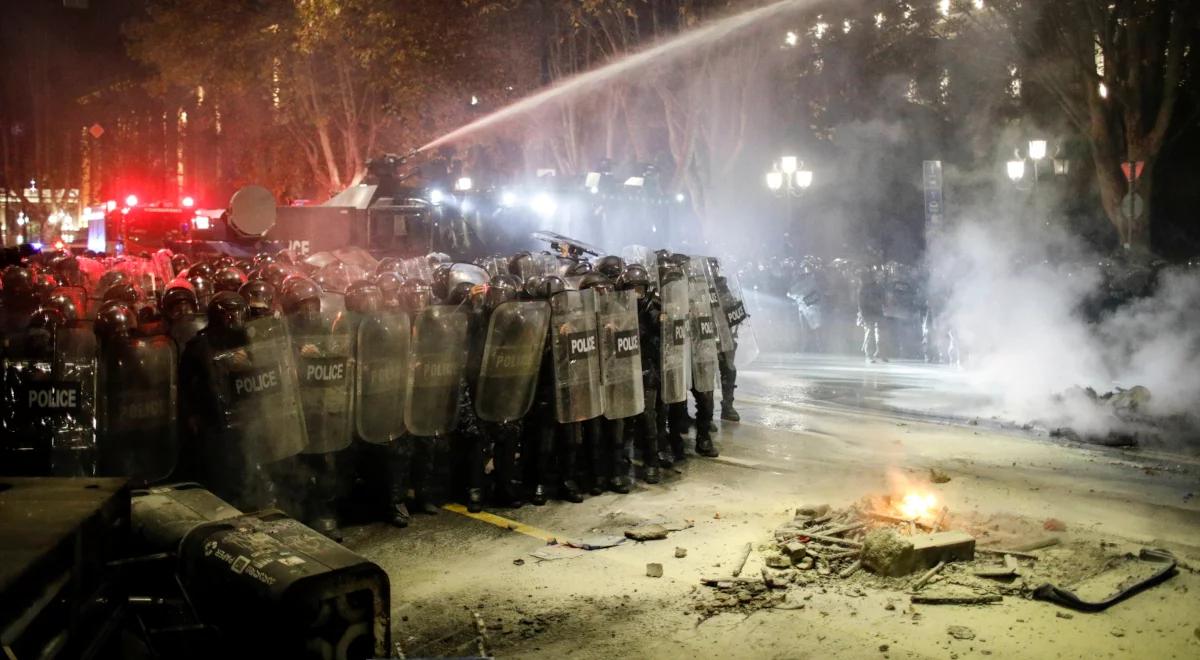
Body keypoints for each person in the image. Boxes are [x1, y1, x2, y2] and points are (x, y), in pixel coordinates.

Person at [857, 267, 886, 363]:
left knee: (880, 333)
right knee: (869, 333)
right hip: (868, 313)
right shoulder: (863, 288)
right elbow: (860, 303)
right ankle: (868, 354)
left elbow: (883, 299)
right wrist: (862, 314)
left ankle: (880, 352)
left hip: (878, 312)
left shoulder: (879, 287)